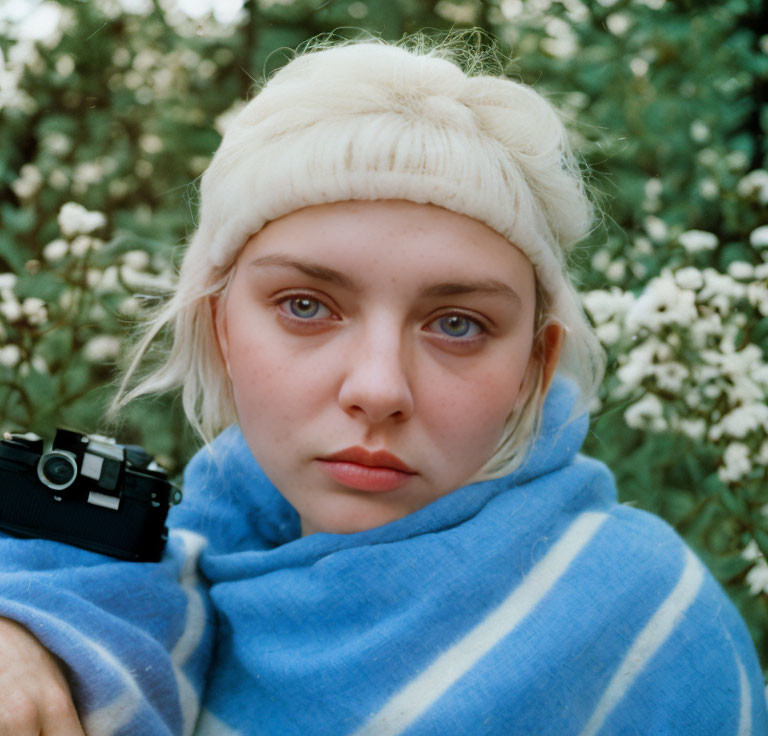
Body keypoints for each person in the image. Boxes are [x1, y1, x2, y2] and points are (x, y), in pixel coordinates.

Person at [0, 36, 765, 736]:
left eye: (458, 324)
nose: (378, 388)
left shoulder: (640, 623)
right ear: (221, 328)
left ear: (535, 364)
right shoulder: (158, 572)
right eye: (306, 306)